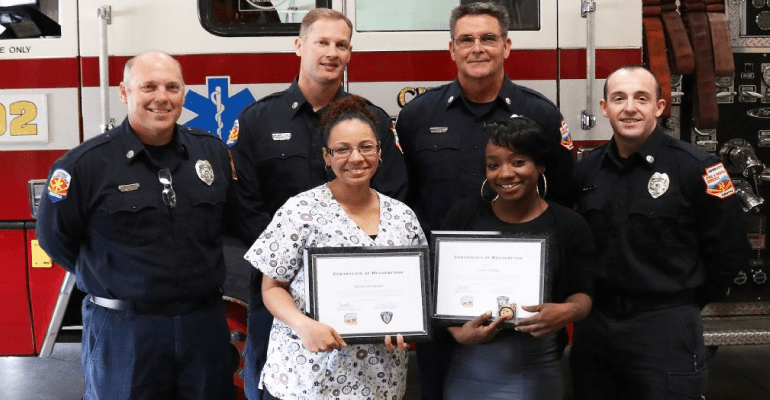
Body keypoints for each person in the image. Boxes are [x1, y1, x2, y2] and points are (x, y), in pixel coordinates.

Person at [394, 3, 574, 397]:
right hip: (443, 299)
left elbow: (561, 196)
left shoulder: (540, 114)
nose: (478, 48)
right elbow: (402, 202)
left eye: (488, 38)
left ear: (506, 46)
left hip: (524, 301)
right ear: (452, 49)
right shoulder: (417, 116)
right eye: (467, 39)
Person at [229, 9, 408, 399]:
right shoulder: (258, 120)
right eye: (321, 42)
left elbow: (393, 197)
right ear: (299, 45)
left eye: (341, 44)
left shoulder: (373, 120)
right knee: (273, 378)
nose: (331, 52)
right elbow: (244, 205)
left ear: (349, 53)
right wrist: (294, 264)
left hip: (361, 286)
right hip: (281, 286)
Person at [36, 51, 235, 399]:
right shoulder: (84, 165)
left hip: (203, 326)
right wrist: (112, 275)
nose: (162, 97)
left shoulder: (211, 153)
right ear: (124, 92)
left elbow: (229, 222)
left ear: (184, 94)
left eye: (172, 87)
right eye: (149, 87)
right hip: (124, 329)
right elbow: (55, 239)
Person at [570, 65, 752, 399]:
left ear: (659, 106)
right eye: (619, 98)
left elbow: (730, 247)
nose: (630, 108)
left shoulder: (700, 167)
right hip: (596, 326)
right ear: (604, 108)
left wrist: (684, 304)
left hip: (665, 324)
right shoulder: (587, 170)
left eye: (641, 98)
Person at [243, 95, 426, 400]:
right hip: (307, 379)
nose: (356, 158)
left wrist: (406, 325)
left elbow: (414, 291)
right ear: (326, 157)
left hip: (379, 382)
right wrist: (304, 326)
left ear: (380, 152)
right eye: (342, 149)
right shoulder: (300, 210)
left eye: (366, 147)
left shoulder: (402, 217)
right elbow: (272, 287)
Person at [440, 117, 593, 399]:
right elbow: (438, 291)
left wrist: (567, 312)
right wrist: (457, 333)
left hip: (537, 366)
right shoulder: (464, 216)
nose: (505, 174)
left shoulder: (568, 224)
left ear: (540, 165)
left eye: (518, 162)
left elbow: (583, 294)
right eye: (493, 165)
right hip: (469, 368)